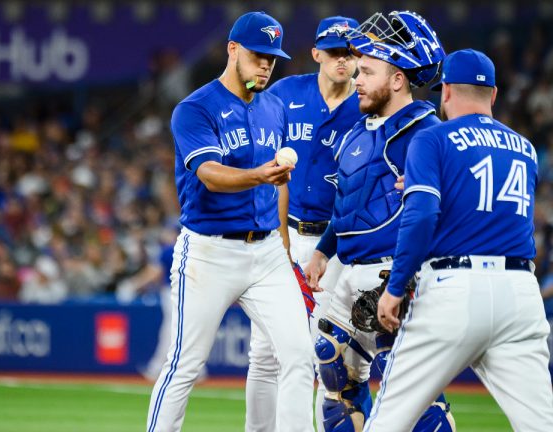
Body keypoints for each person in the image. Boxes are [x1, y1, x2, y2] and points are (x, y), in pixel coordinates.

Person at [146, 11, 314, 432]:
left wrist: (285, 249)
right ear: (233, 49)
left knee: (298, 355)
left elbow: (279, 187)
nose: (266, 65)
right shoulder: (196, 108)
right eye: (258, 55)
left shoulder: (274, 106)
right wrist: (261, 174)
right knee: (185, 364)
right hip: (209, 250)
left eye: (272, 58)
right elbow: (210, 175)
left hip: (267, 253)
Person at [368, 49, 553, 432]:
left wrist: (396, 287)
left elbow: (422, 216)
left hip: (455, 291)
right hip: (520, 294)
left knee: (388, 422)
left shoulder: (432, 139)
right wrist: (426, 184)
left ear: (446, 91)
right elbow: (484, 206)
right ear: (495, 95)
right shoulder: (525, 150)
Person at [304, 11, 455, 432]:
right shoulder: (358, 131)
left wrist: (402, 281)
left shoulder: (425, 132)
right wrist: (322, 250)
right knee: (334, 376)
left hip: (395, 273)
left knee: (412, 393)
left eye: (368, 71)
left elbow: (441, 208)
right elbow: (348, 207)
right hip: (347, 271)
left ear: (397, 80)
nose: (357, 78)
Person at [250, 16, 361, 431]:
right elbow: (262, 160)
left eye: (351, 53)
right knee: (263, 351)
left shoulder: (365, 105)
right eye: (334, 52)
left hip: (331, 247)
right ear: (316, 53)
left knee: (322, 352)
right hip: (282, 234)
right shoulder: (284, 93)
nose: (342, 61)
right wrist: (275, 237)